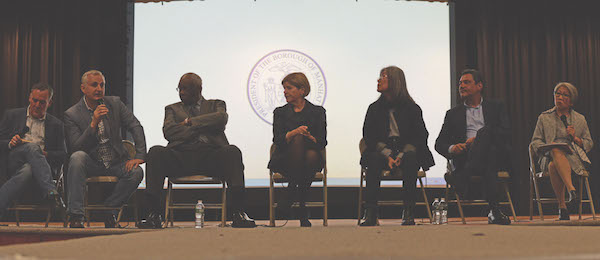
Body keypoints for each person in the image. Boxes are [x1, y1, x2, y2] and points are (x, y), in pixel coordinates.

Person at [138, 72, 256, 229]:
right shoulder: (172, 109)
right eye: (179, 89)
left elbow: (221, 119)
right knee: (155, 152)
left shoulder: (216, 104)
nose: (181, 93)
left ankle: (238, 213)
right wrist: (205, 125)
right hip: (181, 156)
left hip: (210, 156)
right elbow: (169, 132)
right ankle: (154, 215)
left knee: (232, 152)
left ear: (198, 89)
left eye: (185, 89)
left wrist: (190, 122)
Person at [63, 70, 145, 228]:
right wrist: (93, 123)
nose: (99, 89)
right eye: (94, 85)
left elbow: (135, 125)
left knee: (136, 172)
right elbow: (75, 147)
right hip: (92, 162)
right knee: (77, 158)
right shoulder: (72, 114)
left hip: (115, 162)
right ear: (83, 88)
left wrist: (140, 155)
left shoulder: (114, 103)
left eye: (102, 85)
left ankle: (110, 210)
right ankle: (76, 215)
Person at [359, 66, 435, 226]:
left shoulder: (412, 108)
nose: (378, 80)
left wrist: (399, 156)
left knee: (411, 159)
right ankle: (371, 212)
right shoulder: (374, 108)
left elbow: (420, 137)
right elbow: (369, 136)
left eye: (383, 76)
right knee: (372, 159)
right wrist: (387, 155)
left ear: (395, 81)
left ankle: (408, 211)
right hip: (381, 150)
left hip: (406, 151)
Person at [435, 69, 512, 225]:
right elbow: (439, 143)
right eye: (460, 83)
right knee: (488, 155)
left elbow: (505, 132)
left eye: (466, 82)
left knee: (486, 135)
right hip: (466, 155)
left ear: (479, 86)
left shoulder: (496, 106)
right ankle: (495, 211)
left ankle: (462, 177)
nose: (462, 86)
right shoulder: (452, 114)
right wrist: (452, 148)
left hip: (495, 153)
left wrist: (479, 139)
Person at [268, 72, 327, 227]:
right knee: (301, 143)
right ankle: (302, 207)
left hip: (310, 157)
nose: (285, 92)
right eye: (284, 88)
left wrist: (309, 137)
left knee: (310, 156)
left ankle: (291, 192)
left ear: (302, 90)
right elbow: (278, 140)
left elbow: (322, 141)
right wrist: (294, 133)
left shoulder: (318, 112)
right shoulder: (279, 112)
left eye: (289, 88)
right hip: (285, 158)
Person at [0, 83, 66, 219]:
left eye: (42, 102)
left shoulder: (56, 125)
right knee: (32, 147)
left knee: (29, 169)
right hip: (14, 161)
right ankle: (51, 192)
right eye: (34, 100)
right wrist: (10, 143)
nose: (37, 105)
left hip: (40, 167)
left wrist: (46, 154)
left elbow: (63, 155)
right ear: (29, 98)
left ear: (49, 103)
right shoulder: (12, 115)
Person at [530, 82, 593, 220]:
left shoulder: (580, 119)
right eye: (557, 94)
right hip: (548, 156)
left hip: (573, 158)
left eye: (565, 95)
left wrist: (575, 138)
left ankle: (562, 208)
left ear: (571, 101)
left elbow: (589, 143)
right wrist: (547, 146)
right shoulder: (544, 117)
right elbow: (535, 141)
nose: (560, 97)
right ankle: (572, 190)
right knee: (555, 151)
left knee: (555, 165)